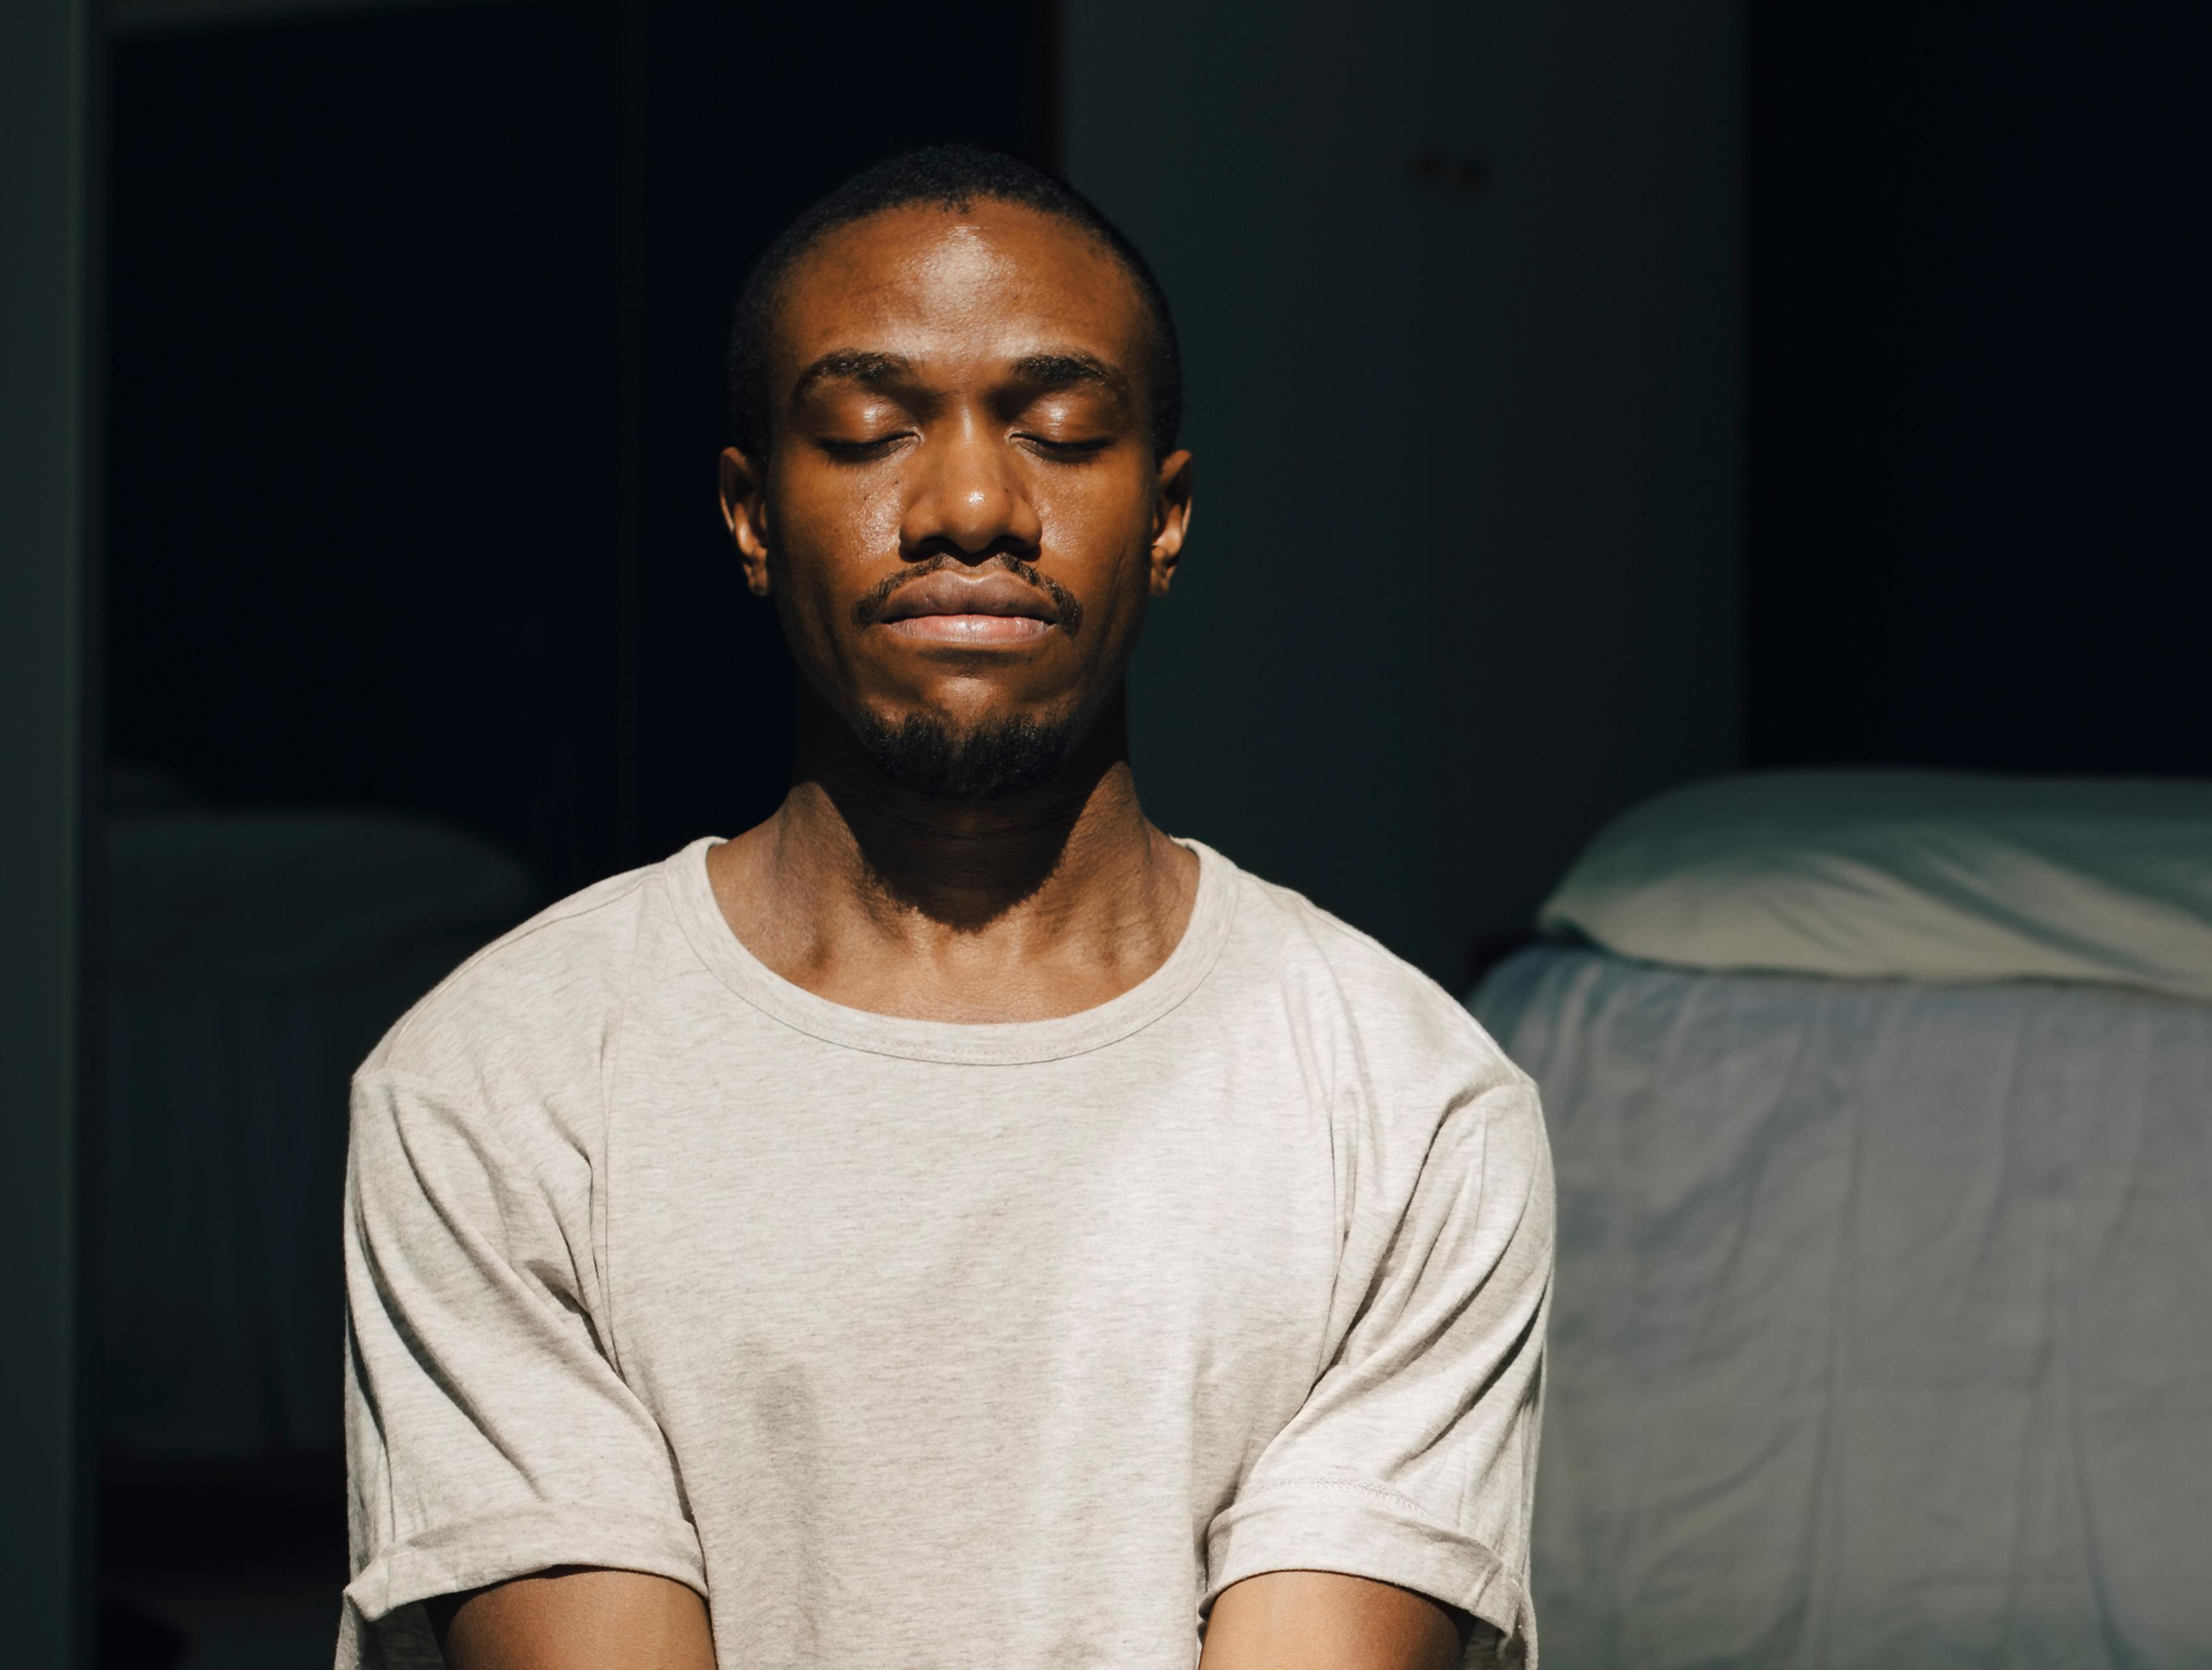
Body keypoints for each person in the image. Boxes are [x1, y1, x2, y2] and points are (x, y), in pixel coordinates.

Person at [337, 144, 1553, 1670]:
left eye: (1058, 430)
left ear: (1166, 517)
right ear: (749, 512)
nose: (971, 503)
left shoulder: (1412, 1102)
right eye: (865, 430)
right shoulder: (497, 1082)